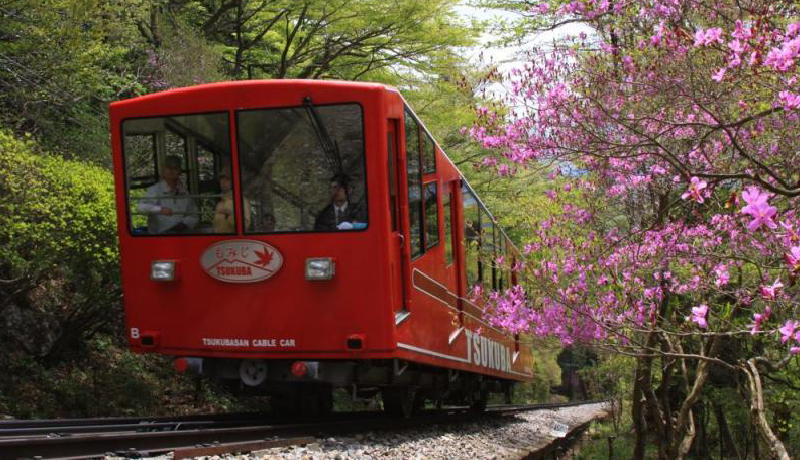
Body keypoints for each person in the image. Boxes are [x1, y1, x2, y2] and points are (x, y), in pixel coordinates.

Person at [137, 155, 198, 234]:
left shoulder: (184, 193)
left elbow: (194, 215)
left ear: (180, 172)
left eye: (175, 168)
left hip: (182, 237)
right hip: (160, 238)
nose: (171, 171)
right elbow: (141, 207)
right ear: (163, 170)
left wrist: (184, 224)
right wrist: (160, 209)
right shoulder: (155, 190)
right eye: (168, 167)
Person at [213, 165, 250, 233]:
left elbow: (245, 226)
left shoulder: (241, 201)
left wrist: (231, 215)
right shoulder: (220, 203)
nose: (223, 181)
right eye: (221, 179)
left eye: (227, 179)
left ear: (234, 182)